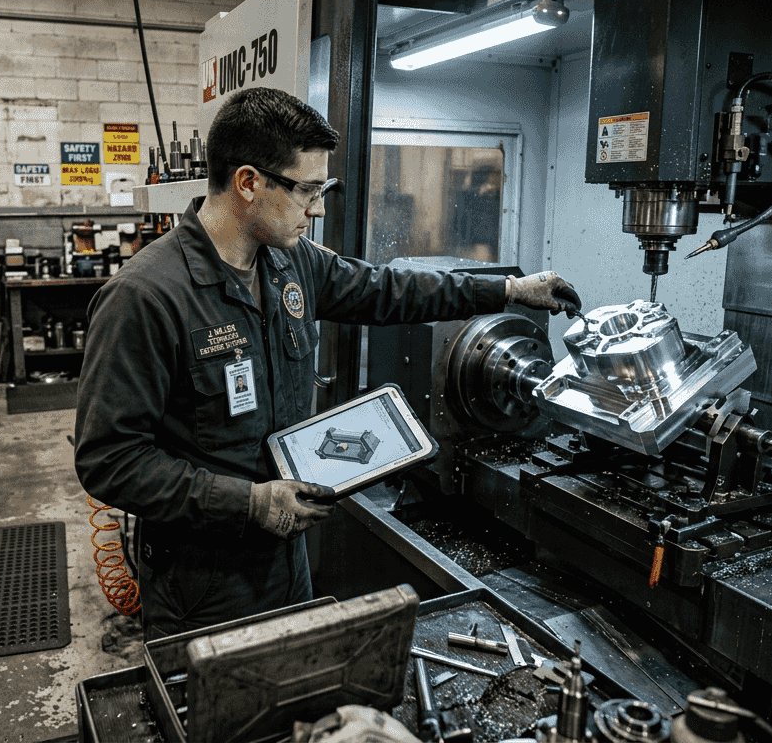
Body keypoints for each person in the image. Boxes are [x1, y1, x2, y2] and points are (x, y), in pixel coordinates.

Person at [74, 88, 580, 641]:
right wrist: (248, 502)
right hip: (202, 585)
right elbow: (109, 460)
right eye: (308, 190)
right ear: (247, 183)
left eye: (323, 189)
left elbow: (388, 290)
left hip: (287, 559)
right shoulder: (146, 297)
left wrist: (508, 289)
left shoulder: (291, 261)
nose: (317, 209)